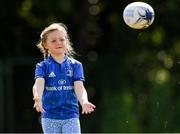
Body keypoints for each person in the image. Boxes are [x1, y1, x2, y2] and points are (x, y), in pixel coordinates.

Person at [32, 23, 96, 134]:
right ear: (45, 45)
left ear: (66, 42)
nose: (58, 43)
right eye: (53, 41)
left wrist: (84, 101)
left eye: (62, 39)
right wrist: (37, 97)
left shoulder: (76, 65)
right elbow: (38, 84)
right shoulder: (42, 66)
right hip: (49, 116)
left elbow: (79, 87)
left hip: (70, 115)